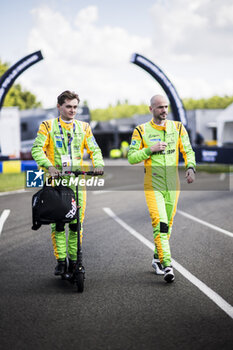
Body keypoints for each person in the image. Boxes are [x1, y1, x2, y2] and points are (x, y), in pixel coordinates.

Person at [31, 90, 104, 275]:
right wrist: (49, 167)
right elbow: (37, 150)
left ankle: (74, 260)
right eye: (68, 106)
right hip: (55, 181)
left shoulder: (84, 127)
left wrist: (99, 165)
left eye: (75, 107)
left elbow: (95, 149)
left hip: (76, 182)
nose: (72, 110)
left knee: (75, 223)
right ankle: (61, 261)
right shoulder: (47, 126)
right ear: (59, 107)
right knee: (58, 223)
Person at [128, 94, 195, 283]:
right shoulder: (140, 130)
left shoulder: (178, 127)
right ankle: (167, 265)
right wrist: (150, 149)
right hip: (153, 183)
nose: (164, 110)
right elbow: (132, 157)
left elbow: (188, 150)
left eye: (165, 107)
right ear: (151, 109)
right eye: (159, 107)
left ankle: (157, 259)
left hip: (173, 184)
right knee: (160, 223)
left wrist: (190, 167)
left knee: (168, 224)